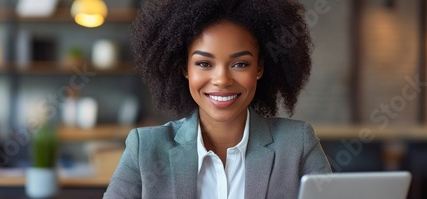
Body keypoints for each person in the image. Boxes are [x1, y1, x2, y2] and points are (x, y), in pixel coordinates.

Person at [104, 0, 332, 198]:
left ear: (259, 68)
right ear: (185, 68)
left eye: (240, 64)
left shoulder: (297, 144)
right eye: (204, 64)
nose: (222, 80)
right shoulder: (145, 149)